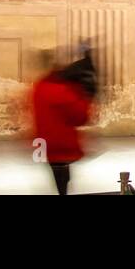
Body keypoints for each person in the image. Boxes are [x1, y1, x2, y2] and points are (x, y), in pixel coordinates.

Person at [31, 53, 93, 195]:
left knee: (60, 178)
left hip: (45, 144)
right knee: (63, 179)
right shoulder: (62, 90)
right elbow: (80, 116)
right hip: (62, 145)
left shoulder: (39, 87)